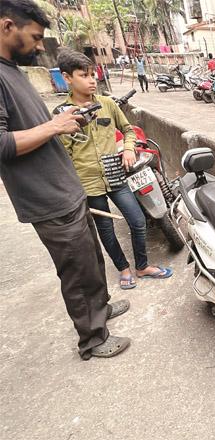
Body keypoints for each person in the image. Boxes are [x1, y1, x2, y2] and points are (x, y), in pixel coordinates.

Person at [0, 0, 130, 359]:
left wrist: (64, 121)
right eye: (36, 37)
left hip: (66, 190)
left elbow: (32, 130)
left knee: (90, 259)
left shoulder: (12, 70)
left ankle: (100, 310)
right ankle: (93, 339)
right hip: (47, 200)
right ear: (8, 26)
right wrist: (54, 125)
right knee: (76, 270)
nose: (41, 46)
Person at [55, 48, 173, 291]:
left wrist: (129, 149)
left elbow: (128, 130)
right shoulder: (61, 115)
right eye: (84, 75)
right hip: (87, 182)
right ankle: (124, 269)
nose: (92, 80)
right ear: (67, 78)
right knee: (106, 230)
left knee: (138, 220)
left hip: (115, 174)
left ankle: (142, 266)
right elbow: (62, 155)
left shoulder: (108, 104)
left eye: (93, 74)